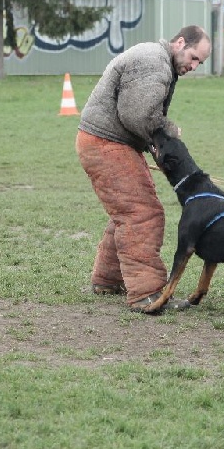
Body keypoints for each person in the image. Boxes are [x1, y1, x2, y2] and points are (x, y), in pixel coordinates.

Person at [75, 25, 211, 312]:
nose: (195, 66)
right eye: (195, 58)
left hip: (108, 142)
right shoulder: (153, 60)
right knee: (142, 214)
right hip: (105, 143)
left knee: (126, 213)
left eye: (201, 63)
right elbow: (139, 114)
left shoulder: (157, 60)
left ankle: (108, 279)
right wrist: (169, 131)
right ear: (180, 42)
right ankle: (147, 293)